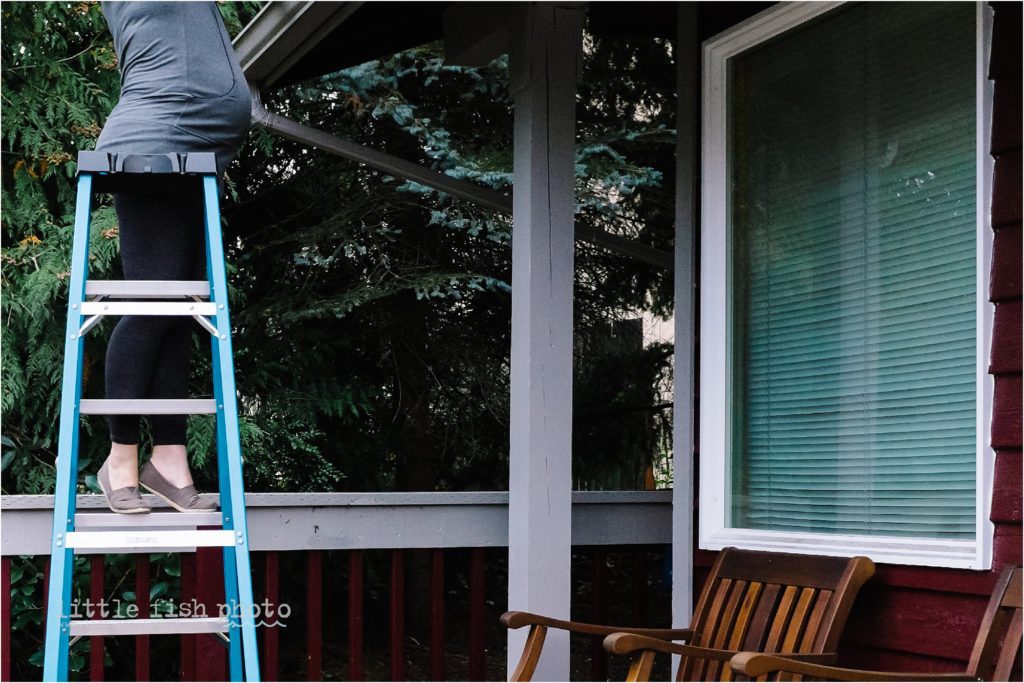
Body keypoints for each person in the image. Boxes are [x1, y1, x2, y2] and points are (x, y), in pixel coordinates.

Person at [94, 1, 251, 513]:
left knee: (178, 311)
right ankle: (119, 458)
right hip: (155, 131)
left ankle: (169, 459)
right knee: (150, 306)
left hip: (197, 143)